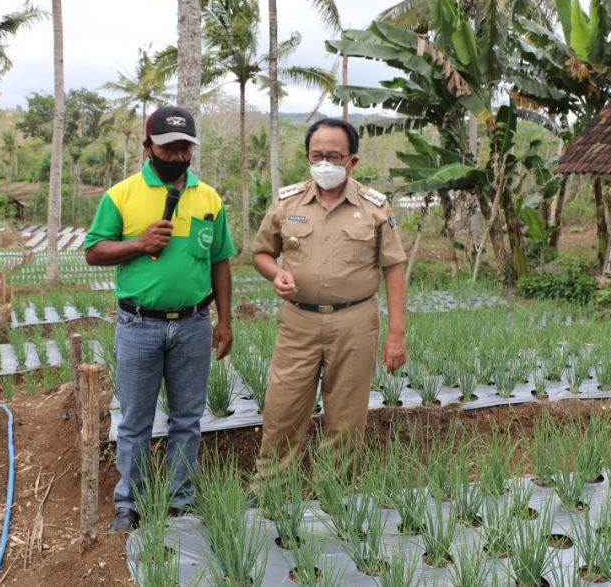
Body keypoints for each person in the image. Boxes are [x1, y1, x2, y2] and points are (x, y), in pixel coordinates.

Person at [84, 105, 234, 532]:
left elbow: (220, 261)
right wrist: (139, 243)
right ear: (147, 146)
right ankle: (128, 502)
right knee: (135, 420)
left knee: (188, 419)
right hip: (139, 325)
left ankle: (180, 499)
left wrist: (224, 321)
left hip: (193, 324)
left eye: (185, 147)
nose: (177, 156)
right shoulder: (122, 195)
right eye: (168, 148)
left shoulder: (209, 198)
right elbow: (94, 251)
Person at [250, 117, 407, 479]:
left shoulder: (375, 207)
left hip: (355, 322)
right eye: (316, 155)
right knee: (282, 408)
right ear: (307, 156)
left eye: (334, 157)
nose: (324, 163)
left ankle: (334, 492)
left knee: (346, 416)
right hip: (298, 321)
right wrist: (276, 274)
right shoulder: (287, 202)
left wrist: (396, 335)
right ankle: (270, 488)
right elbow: (261, 253)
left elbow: (393, 270)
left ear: (352, 161)